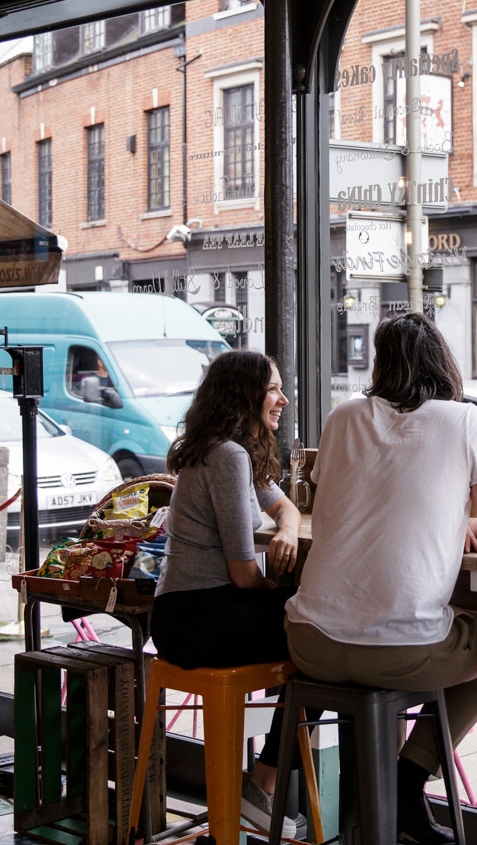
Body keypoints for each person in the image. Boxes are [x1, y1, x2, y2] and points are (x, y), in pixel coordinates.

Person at [284, 313, 477, 845]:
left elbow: (352, 503)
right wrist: (458, 521)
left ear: (380, 363)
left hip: (309, 643)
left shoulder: (343, 417)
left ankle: (372, 812)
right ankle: (406, 781)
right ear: (443, 360)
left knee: (384, 641)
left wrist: (450, 519)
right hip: (397, 653)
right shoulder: (465, 422)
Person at [151, 349, 304, 837]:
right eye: (273, 388)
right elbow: (243, 575)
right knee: (321, 640)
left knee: (310, 628)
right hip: (199, 616)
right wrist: (281, 595)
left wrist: (287, 531)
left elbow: (286, 507)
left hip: (181, 614)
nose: (282, 399)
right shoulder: (229, 456)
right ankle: (258, 784)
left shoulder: (225, 450)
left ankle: (259, 783)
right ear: (245, 394)